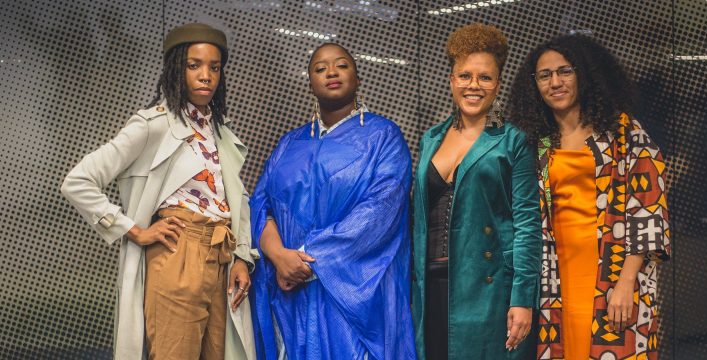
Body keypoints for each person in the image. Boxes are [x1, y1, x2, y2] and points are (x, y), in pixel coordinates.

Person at [61, 23, 256, 359]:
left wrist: (240, 257)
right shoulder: (154, 124)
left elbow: (235, 199)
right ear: (176, 69)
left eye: (214, 67)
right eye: (194, 65)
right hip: (178, 251)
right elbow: (78, 181)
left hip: (221, 258)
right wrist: (132, 229)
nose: (206, 75)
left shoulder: (220, 131)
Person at [248, 42, 416, 360]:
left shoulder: (384, 137)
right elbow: (260, 204)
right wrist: (278, 256)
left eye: (341, 64)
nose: (331, 72)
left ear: (357, 76)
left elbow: (383, 208)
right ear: (310, 82)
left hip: (355, 291)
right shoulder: (289, 144)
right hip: (292, 294)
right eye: (320, 68)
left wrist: (305, 260)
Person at [507, 34, 671, 360]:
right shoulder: (536, 142)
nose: (555, 82)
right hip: (552, 277)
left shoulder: (624, 133)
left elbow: (649, 210)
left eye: (565, 71)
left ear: (583, 74)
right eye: (545, 75)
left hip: (612, 275)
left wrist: (626, 283)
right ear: (534, 85)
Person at [411, 23, 541, 359]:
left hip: (487, 287)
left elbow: (528, 226)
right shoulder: (431, 138)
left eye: (484, 77)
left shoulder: (513, 140)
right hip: (430, 284)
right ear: (451, 79)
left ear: (498, 84)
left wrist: (522, 298)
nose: (474, 85)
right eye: (465, 75)